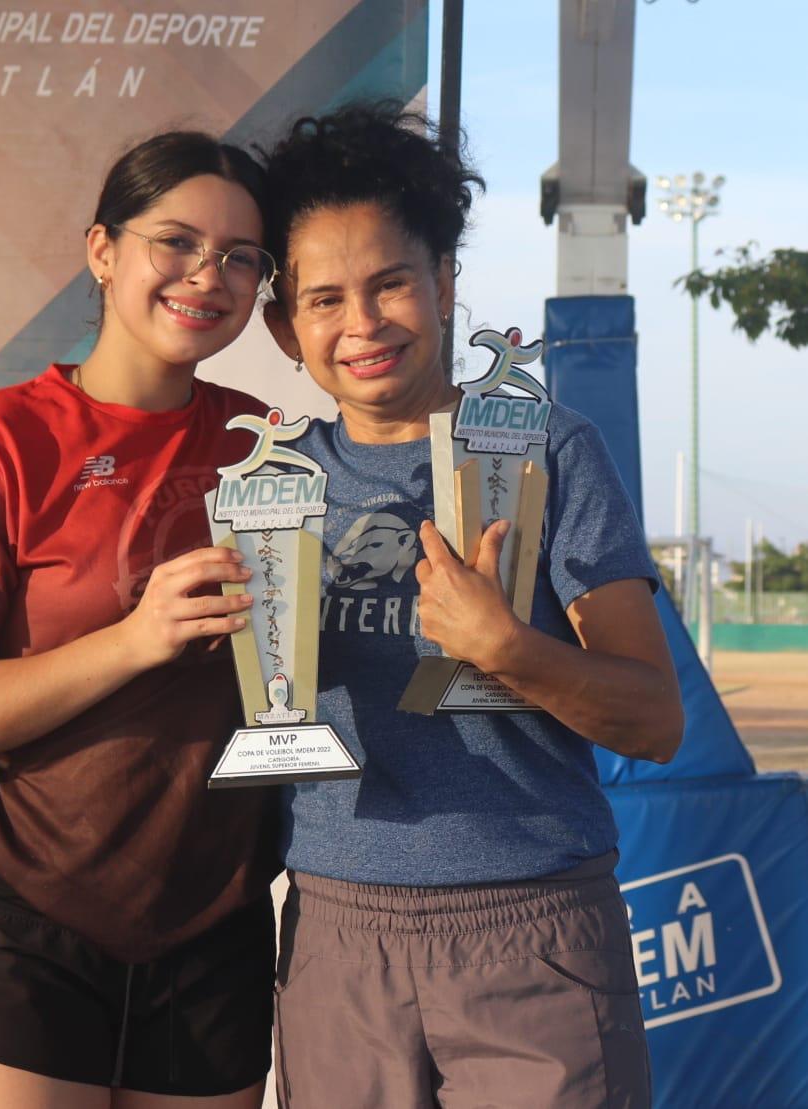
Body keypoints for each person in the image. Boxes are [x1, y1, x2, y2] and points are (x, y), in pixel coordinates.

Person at [256, 103, 685, 1108]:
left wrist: (509, 647)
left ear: (446, 282)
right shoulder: (268, 488)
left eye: (391, 282)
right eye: (323, 298)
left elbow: (655, 718)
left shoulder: (547, 448)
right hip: (335, 934)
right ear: (286, 326)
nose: (359, 324)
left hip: (534, 925)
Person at [0, 131, 283, 1109]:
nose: (210, 274)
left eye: (243, 256)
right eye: (178, 241)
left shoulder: (271, 448)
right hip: (25, 915)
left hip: (218, 920)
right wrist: (134, 638)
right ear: (102, 249)